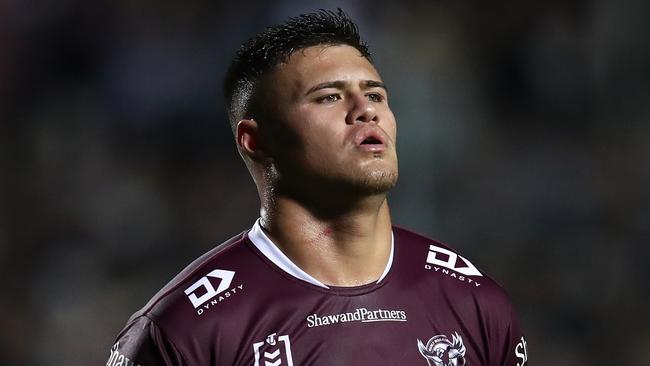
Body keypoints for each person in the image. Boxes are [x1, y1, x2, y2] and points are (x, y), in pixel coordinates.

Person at [106, 9, 528, 366]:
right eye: (329, 97)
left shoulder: (474, 302)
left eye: (376, 95)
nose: (365, 111)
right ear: (256, 141)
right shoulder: (186, 330)